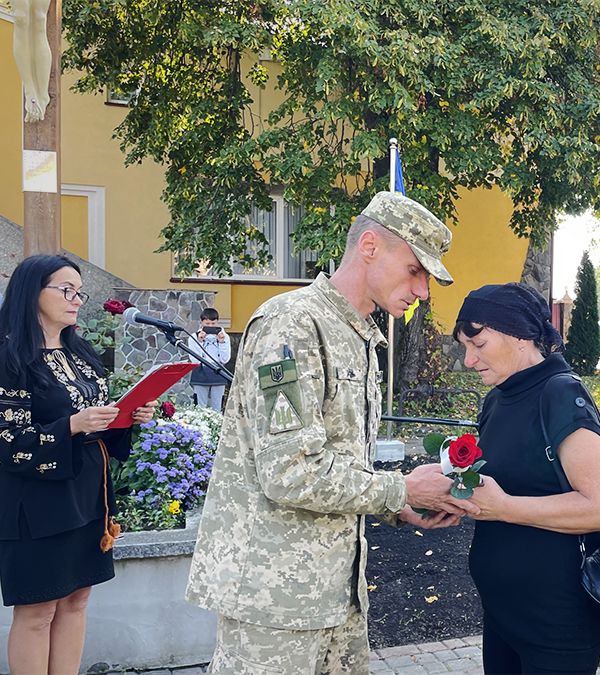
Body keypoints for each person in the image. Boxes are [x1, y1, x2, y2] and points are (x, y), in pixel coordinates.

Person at [185, 192, 478, 674]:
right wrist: (400, 486)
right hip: (274, 599)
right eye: (415, 270)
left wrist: (397, 504)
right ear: (369, 246)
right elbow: (290, 472)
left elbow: (337, 460)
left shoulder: (358, 333)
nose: (423, 290)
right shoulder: (291, 325)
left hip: (336, 592)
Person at [0, 255, 156, 675]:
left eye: (79, 291)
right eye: (65, 290)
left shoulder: (80, 352)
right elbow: (3, 441)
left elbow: (94, 426)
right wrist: (70, 425)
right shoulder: (4, 357)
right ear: (32, 292)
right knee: (37, 612)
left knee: (76, 601)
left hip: (85, 495)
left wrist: (126, 417)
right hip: (33, 499)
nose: (75, 299)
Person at [453, 283, 600, 674]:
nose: (468, 360)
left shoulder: (560, 395)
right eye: (465, 347)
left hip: (556, 625)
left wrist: (506, 508)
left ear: (520, 334)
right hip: (503, 614)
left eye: (478, 345)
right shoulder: (498, 398)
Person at [188, 307, 231, 411]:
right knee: (199, 408)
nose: (210, 326)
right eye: (207, 324)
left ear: (217, 322)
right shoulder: (193, 337)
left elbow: (225, 359)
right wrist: (200, 342)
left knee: (217, 408)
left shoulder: (224, 337)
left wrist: (221, 342)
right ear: (201, 322)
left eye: (213, 324)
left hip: (218, 373)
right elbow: (195, 360)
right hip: (200, 372)